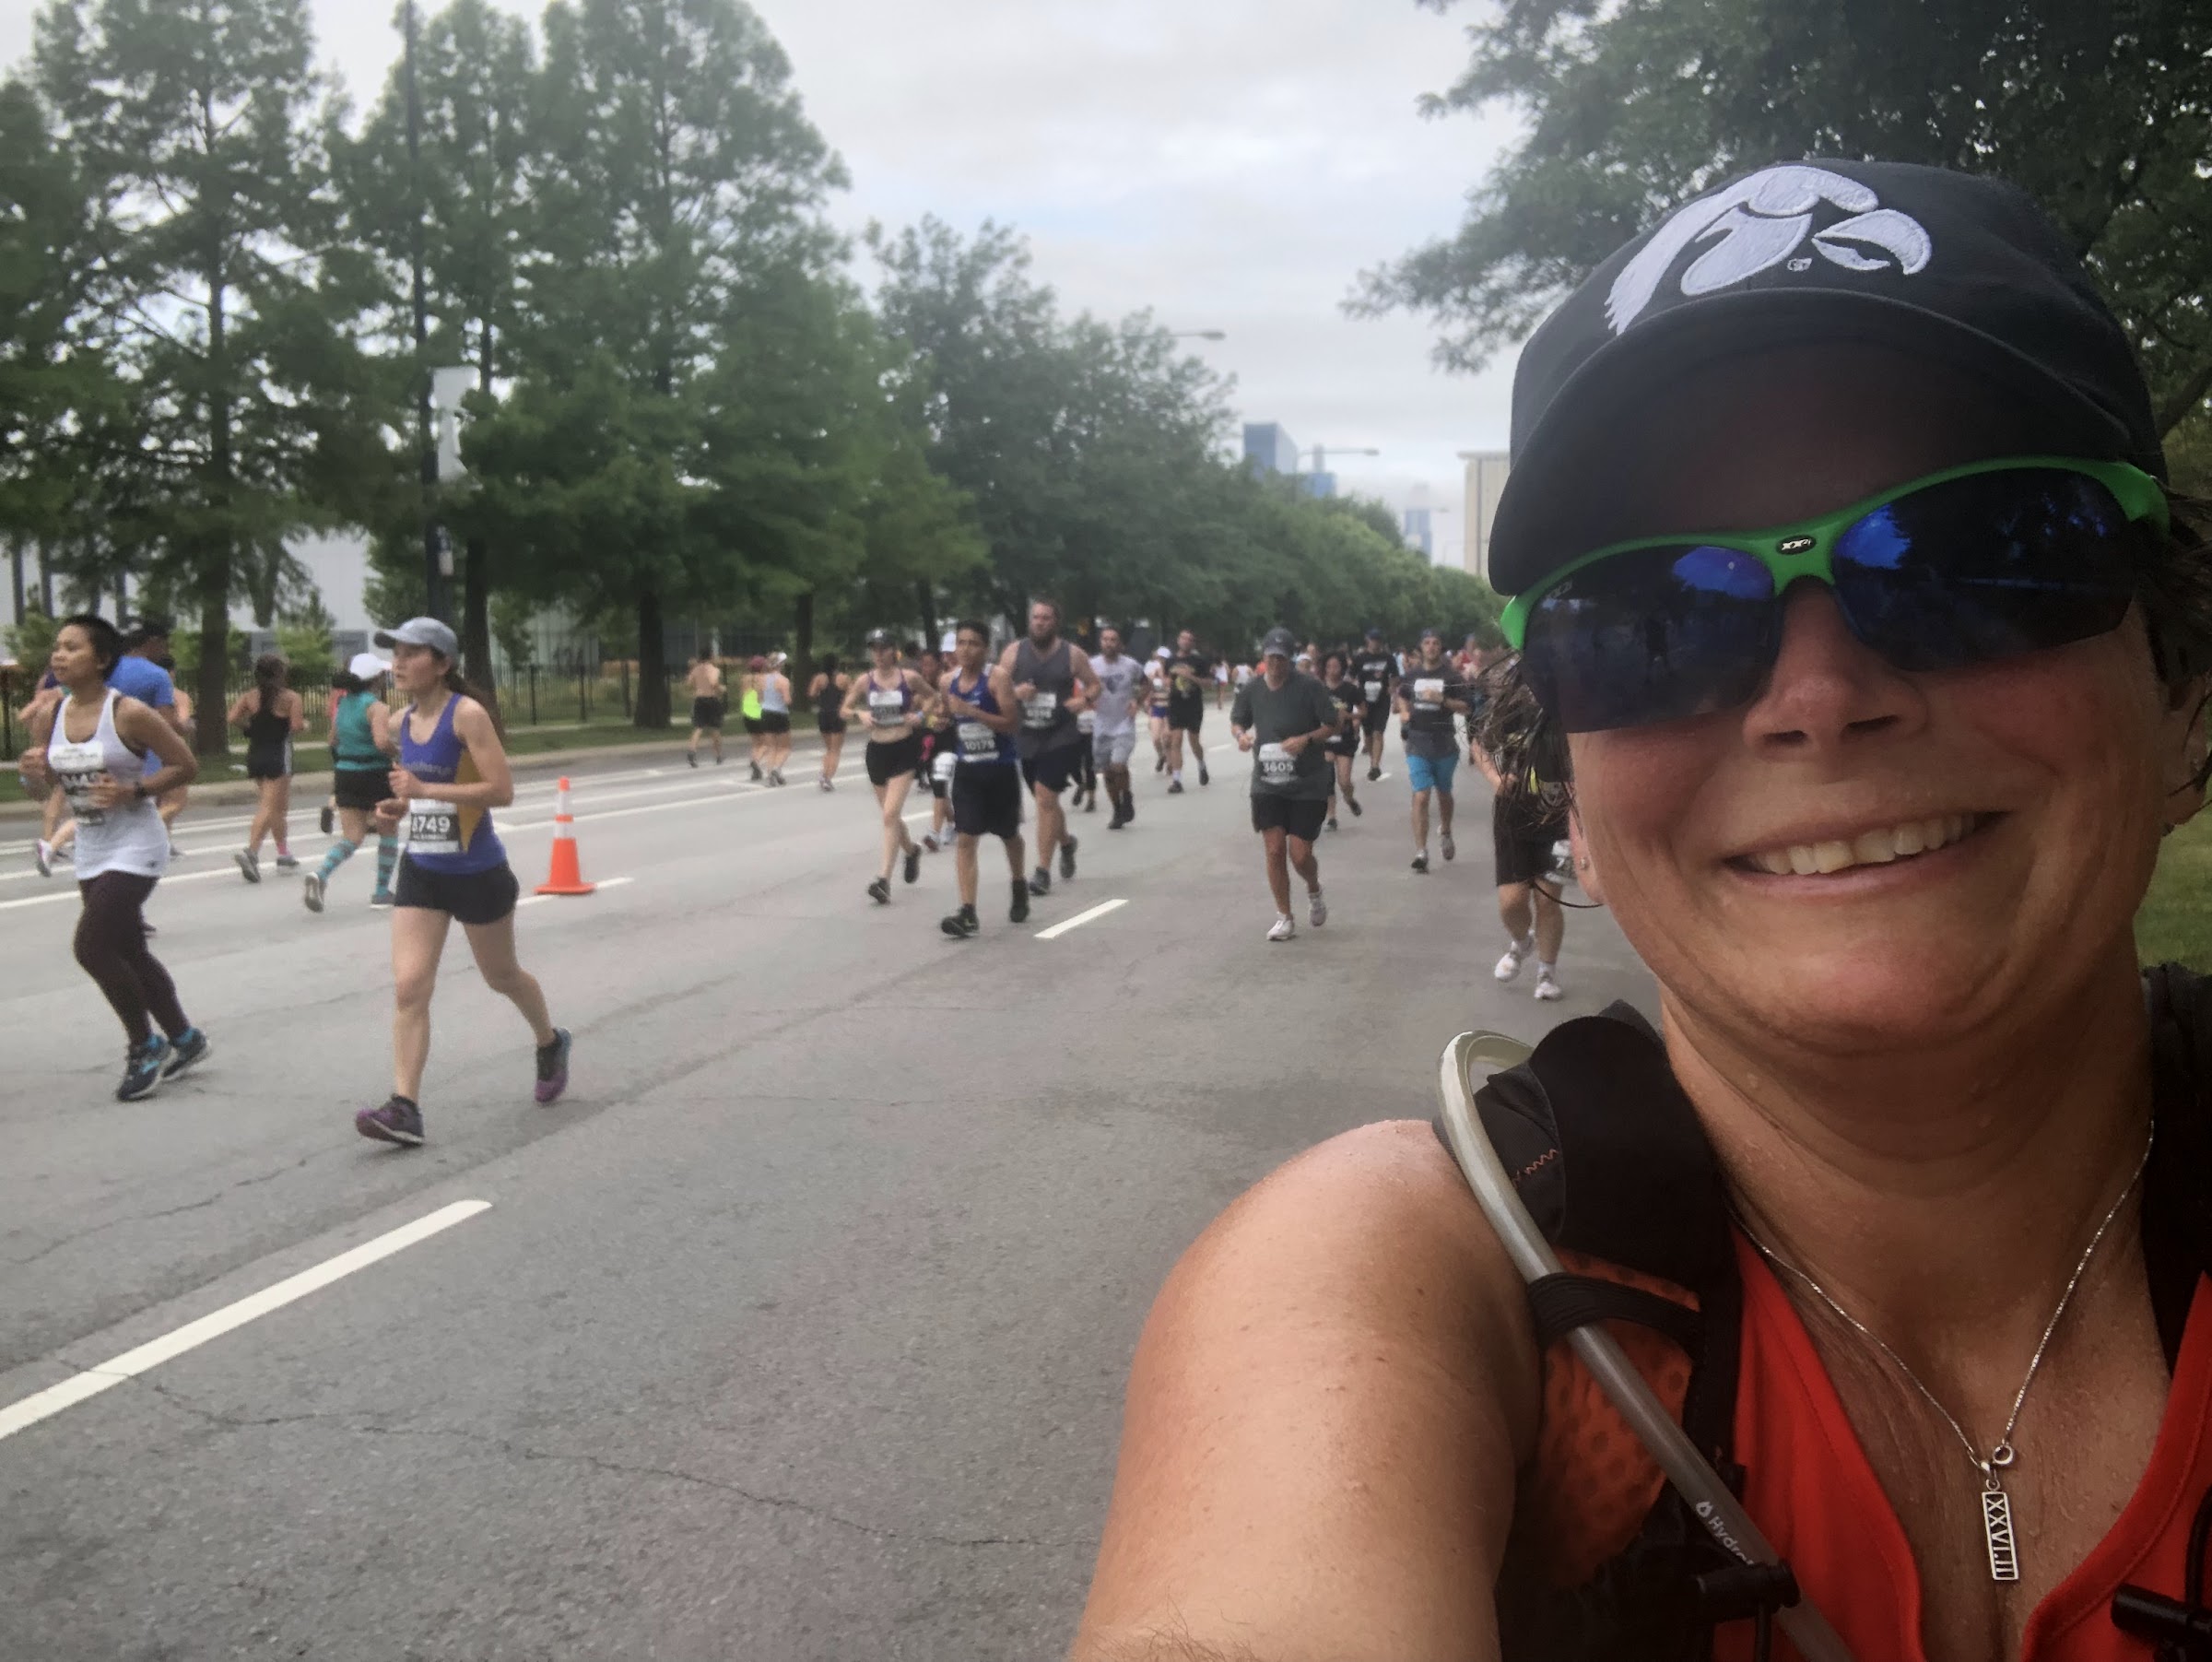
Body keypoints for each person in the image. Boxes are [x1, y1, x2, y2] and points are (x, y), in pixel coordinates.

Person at [1072, 159, 2212, 1662]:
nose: (1818, 696)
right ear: (1577, 812)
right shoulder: (1397, 1278)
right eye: (1653, 621)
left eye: (1976, 555)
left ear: (2183, 693)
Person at [355, 617, 569, 1147]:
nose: (399, 663)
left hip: (477, 872)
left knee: (502, 976)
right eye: (396, 653)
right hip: (423, 870)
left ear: (443, 663)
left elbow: (500, 791)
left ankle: (549, 1041)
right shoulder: (401, 722)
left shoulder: (467, 715)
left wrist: (425, 790)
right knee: (410, 986)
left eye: (412, 653)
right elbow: (420, 795)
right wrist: (397, 809)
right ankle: (405, 1107)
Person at [18, 615, 209, 1100]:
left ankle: (145, 1046)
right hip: (91, 844)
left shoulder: (128, 713)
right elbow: (48, 786)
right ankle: (185, 1037)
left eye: (72, 648)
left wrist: (134, 790)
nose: (59, 655)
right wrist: (33, 774)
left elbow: (186, 765)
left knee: (92, 947)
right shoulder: (52, 715)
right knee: (129, 950)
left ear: (102, 659)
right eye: (57, 647)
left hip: (136, 843)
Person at [1229, 628, 1340, 942]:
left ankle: (1314, 889)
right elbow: (1238, 720)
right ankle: (1285, 917)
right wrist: (1241, 736)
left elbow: (1333, 724)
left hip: (1307, 782)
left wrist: (1306, 739)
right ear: (1263, 657)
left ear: (1290, 659)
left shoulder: (1310, 687)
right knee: (1275, 849)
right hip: (1267, 782)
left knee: (1300, 855)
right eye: (1271, 657)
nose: (1276, 664)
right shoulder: (1252, 689)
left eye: (1282, 658)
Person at [999, 598, 1100, 895]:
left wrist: (1083, 700)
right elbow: (996, 687)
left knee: (1045, 798)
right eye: (1036, 617)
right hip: (1027, 736)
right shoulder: (1014, 652)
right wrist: (1015, 692)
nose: (1039, 622)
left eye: (1045, 618)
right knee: (1048, 802)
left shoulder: (1073, 654)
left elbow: (1095, 685)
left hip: (1061, 736)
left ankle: (1042, 870)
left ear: (1056, 622)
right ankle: (1066, 842)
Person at [937, 619, 1031, 937]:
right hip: (968, 770)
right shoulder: (947, 681)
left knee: (1009, 834)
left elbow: (1011, 723)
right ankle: (968, 912)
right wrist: (942, 720)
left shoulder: (997, 678)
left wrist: (972, 711)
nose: (965, 650)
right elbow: (948, 715)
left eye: (973, 643)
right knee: (966, 837)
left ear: (986, 649)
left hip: (1000, 768)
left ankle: (1019, 884)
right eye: (961, 643)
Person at [304, 652, 400, 913]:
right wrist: (398, 753)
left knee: (352, 837)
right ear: (377, 679)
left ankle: (321, 874)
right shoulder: (377, 707)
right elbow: (381, 742)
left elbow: (333, 740)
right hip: (375, 774)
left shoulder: (344, 704)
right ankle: (381, 891)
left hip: (346, 773)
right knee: (388, 831)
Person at [841, 628, 931, 904]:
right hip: (877, 751)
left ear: (894, 651)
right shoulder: (864, 681)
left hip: (904, 748)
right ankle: (911, 850)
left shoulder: (909, 678)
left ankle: (883, 880)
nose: (879, 654)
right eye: (874, 649)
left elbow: (933, 697)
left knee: (890, 814)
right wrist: (859, 714)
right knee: (890, 816)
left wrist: (920, 715)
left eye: (883, 648)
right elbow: (844, 710)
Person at [1394, 627, 1472, 873]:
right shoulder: (1412, 675)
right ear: (1421, 647)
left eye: (1435, 643)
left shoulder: (1451, 676)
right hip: (1417, 741)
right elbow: (1401, 695)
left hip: (1444, 743)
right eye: (1427, 643)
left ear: (1441, 647)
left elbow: (1467, 707)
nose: (1431, 647)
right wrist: (1404, 712)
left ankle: (1445, 831)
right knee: (1421, 795)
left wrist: (1443, 700)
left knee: (1444, 793)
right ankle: (1421, 851)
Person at [226, 653, 305, 880]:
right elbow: (296, 726)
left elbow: (232, 718)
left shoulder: (250, 697)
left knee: (278, 807)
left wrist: (250, 728)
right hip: (278, 754)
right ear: (280, 673)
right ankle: (251, 852)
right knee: (270, 806)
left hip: (256, 752)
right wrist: (305, 725)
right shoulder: (290, 698)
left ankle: (283, 853)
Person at [1088, 624, 1147, 830]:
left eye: (1113, 640)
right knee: (1108, 772)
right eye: (1105, 639)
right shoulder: (1091, 665)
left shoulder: (1130, 665)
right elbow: (1082, 687)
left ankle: (1127, 795)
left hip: (1124, 724)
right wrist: (1087, 701)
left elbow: (1146, 683)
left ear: (1119, 643)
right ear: (1100, 642)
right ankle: (1117, 809)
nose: (1109, 643)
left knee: (1118, 765)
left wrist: (1137, 701)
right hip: (1101, 726)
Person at [1318, 649, 1365, 830]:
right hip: (1325, 740)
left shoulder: (1350, 689)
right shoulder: (1319, 689)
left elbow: (1364, 712)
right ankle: (1331, 817)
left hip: (1345, 739)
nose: (1332, 670)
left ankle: (1349, 798)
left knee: (1344, 781)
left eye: (1336, 666)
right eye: (1329, 666)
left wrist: (1349, 716)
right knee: (1327, 779)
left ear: (1342, 668)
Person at [1163, 629, 1212, 792]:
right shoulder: (1170, 660)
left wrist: (1189, 676)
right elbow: (1166, 679)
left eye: (1189, 639)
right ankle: (1177, 781)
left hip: (1193, 705)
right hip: (1175, 704)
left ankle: (1201, 765)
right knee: (1176, 741)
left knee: (1194, 741)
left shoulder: (1199, 661)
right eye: (1183, 638)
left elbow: (1208, 683)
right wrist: (1166, 683)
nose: (1186, 641)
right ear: (1178, 640)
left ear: (1193, 643)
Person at [1350, 626, 1398, 782]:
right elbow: (1350, 676)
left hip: (1382, 700)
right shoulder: (1360, 658)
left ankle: (1375, 765)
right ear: (1367, 640)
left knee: (1378, 732)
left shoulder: (1388, 658)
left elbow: (1396, 676)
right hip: (1365, 700)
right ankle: (1373, 761)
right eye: (1373, 640)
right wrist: (1353, 692)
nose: (1375, 643)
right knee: (1368, 734)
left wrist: (1392, 688)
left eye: (1378, 640)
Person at [809, 651, 851, 792]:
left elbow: (812, 694)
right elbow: (851, 694)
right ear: (837, 664)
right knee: (835, 750)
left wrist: (821, 693)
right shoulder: (843, 678)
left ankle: (824, 773)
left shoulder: (819, 678)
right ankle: (826, 777)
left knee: (828, 749)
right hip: (837, 714)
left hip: (823, 714)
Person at [755, 651, 794, 784]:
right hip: (780, 714)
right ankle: (777, 768)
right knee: (785, 747)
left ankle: (770, 774)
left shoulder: (761, 680)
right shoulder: (784, 681)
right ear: (780, 665)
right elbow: (787, 700)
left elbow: (759, 699)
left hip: (766, 713)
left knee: (771, 747)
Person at [685, 650, 726, 768]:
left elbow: (688, 683)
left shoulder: (695, 670)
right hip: (711, 699)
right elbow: (713, 682)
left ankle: (692, 750)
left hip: (699, 699)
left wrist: (698, 686)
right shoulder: (714, 669)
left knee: (698, 727)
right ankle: (718, 755)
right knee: (715, 728)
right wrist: (721, 688)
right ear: (711, 657)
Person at [1147, 647, 1173, 773]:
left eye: (1163, 659)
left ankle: (1170, 763)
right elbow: (1148, 689)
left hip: (1169, 708)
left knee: (1167, 738)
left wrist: (1162, 676)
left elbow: (1171, 688)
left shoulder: (1172, 673)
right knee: (1156, 738)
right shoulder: (1153, 672)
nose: (1161, 661)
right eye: (1159, 658)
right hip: (1156, 707)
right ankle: (1161, 756)